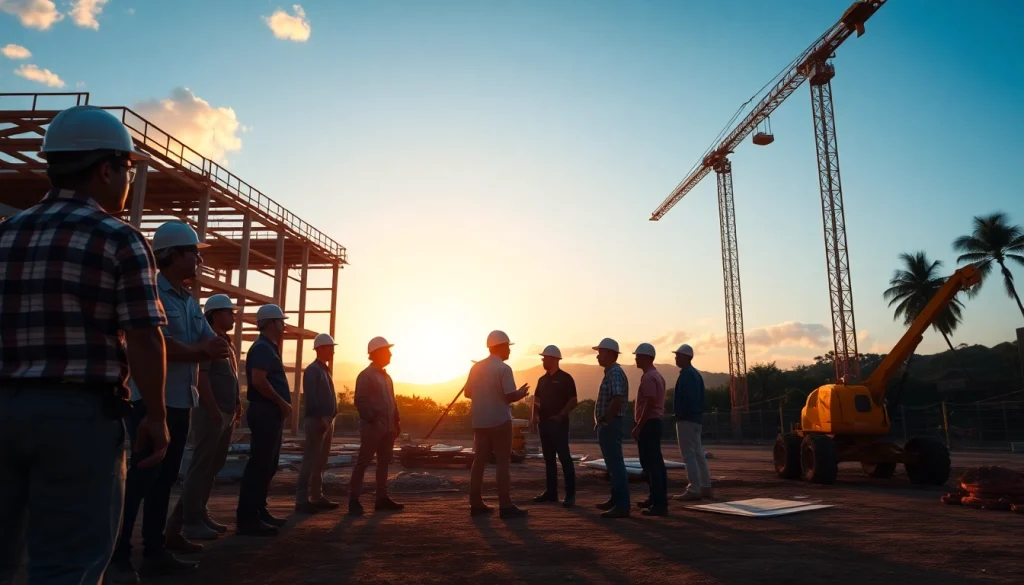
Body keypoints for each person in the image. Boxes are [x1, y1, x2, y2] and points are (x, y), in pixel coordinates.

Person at [0, 105, 169, 585]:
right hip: (77, 416)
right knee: (68, 565)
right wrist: (156, 416)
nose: (129, 179)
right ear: (105, 170)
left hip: (3, 406)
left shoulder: (6, 235)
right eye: (128, 168)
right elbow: (143, 334)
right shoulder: (119, 238)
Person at [109, 221, 231, 581]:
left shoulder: (188, 301)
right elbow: (155, 344)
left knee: (163, 482)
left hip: (181, 402)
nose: (198, 260)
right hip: (151, 404)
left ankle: (154, 551)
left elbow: (210, 342)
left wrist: (200, 349)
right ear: (173, 255)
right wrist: (199, 352)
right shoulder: (152, 294)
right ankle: (119, 556)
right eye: (193, 253)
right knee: (141, 481)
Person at [165, 294, 242, 544]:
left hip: (225, 412)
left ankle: (197, 513)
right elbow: (203, 378)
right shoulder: (208, 343)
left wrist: (236, 404)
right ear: (216, 314)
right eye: (229, 312)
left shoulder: (226, 343)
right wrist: (212, 409)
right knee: (201, 467)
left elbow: (231, 378)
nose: (233, 317)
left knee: (212, 467)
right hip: (212, 413)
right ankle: (190, 522)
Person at [236, 304, 291, 535]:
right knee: (260, 465)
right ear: (270, 323)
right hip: (265, 411)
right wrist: (282, 402)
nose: (284, 326)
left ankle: (259, 510)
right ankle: (248, 518)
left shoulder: (268, 347)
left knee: (268, 464)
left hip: (270, 413)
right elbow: (259, 381)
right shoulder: (261, 348)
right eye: (281, 321)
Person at [465, 330, 530, 519]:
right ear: (501, 347)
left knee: (479, 461)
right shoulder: (504, 368)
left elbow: (467, 393)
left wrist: (483, 395)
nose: (509, 351)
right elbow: (509, 396)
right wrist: (521, 393)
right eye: (508, 347)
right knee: (503, 462)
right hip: (500, 421)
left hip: (480, 421)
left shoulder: (476, 368)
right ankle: (505, 505)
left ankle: (475, 503)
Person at [349, 336, 404, 516]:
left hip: (388, 427)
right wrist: (373, 420)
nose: (390, 354)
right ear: (377, 353)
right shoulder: (366, 375)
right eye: (387, 351)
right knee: (363, 462)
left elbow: (392, 401)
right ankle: (353, 500)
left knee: (384, 463)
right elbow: (360, 400)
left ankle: (381, 498)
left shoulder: (386, 377)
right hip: (373, 428)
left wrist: (396, 421)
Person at [296, 333, 341, 513]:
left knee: (320, 460)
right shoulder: (313, 370)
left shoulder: (324, 369)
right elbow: (311, 397)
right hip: (317, 420)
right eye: (330, 348)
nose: (333, 352)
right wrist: (321, 418)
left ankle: (316, 496)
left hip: (326, 420)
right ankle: (302, 500)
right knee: (310, 460)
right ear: (320, 348)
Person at [531, 345, 578, 508]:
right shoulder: (542, 380)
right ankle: (551, 493)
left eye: (545, 358)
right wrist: (533, 419)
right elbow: (536, 400)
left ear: (554, 359)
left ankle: (570, 495)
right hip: (544, 424)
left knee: (564, 458)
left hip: (559, 425)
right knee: (549, 458)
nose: (543, 360)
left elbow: (573, 400)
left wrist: (560, 416)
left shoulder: (565, 378)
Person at [592, 338, 630, 518]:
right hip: (610, 423)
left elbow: (617, 398)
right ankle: (616, 500)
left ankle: (622, 505)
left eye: (600, 352)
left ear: (609, 353)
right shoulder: (612, 373)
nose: (598, 356)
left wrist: (607, 419)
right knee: (612, 465)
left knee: (615, 465)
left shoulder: (614, 373)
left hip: (611, 424)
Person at [672, 344, 713, 501]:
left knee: (689, 455)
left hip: (687, 419)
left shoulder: (687, 375)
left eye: (678, 356)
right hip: (696, 418)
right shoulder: (696, 374)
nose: (676, 358)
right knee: (698, 454)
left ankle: (694, 488)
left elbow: (687, 398)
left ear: (686, 357)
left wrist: (680, 414)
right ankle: (705, 486)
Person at [631, 343, 668, 516]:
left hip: (649, 423)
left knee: (651, 464)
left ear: (646, 357)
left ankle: (658, 503)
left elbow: (650, 402)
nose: (635, 359)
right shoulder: (657, 376)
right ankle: (656, 498)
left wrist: (639, 425)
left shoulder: (648, 378)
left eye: (638, 356)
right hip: (654, 422)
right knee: (656, 463)